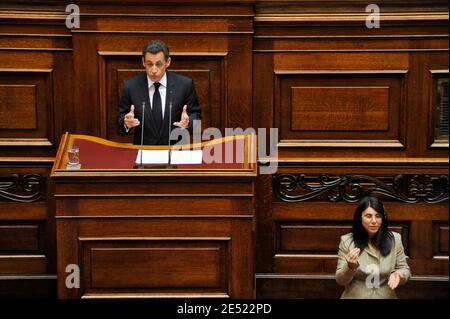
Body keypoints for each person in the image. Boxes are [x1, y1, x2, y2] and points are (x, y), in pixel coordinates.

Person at [117, 40, 201, 145]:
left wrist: (188, 123)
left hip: (175, 151)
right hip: (144, 152)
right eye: (149, 64)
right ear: (143, 62)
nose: (154, 70)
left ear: (168, 62)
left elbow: (196, 115)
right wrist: (126, 123)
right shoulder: (131, 86)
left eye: (158, 64)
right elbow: (120, 120)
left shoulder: (184, 85)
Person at [336, 196, 410, 298]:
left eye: (378, 216)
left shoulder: (395, 239)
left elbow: (404, 269)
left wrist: (400, 275)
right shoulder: (347, 241)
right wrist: (350, 267)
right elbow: (340, 280)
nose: (374, 221)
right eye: (368, 216)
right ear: (360, 217)